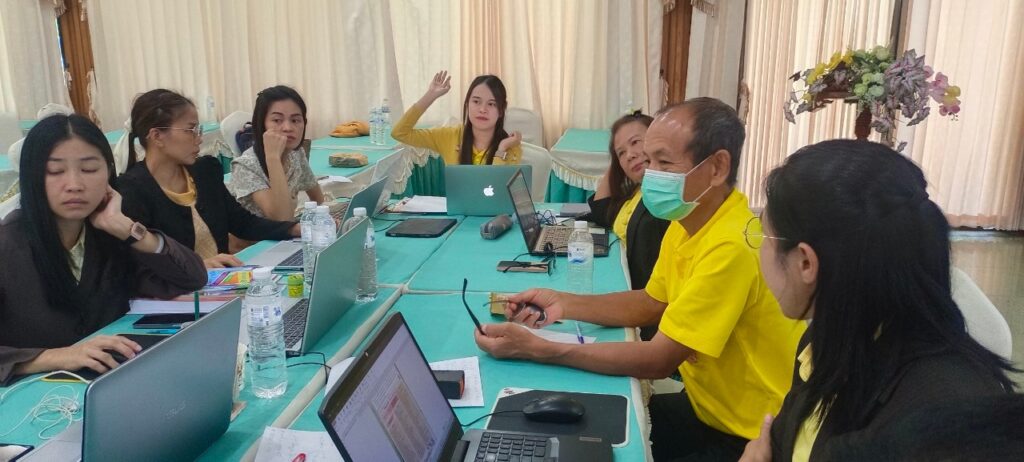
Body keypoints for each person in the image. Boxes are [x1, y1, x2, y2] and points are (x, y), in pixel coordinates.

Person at [475, 98, 806, 461]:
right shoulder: (689, 222)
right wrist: (562, 302)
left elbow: (658, 359)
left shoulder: (731, 246)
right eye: (649, 161)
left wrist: (538, 349)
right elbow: (651, 302)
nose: (649, 174)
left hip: (749, 437)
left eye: (664, 163)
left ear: (717, 167)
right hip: (707, 408)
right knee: (577, 435)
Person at [737, 140, 1017, 462]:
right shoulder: (833, 335)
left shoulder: (944, 423)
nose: (760, 251)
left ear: (805, 262)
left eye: (764, 237)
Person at [0, 115, 206, 384]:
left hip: (109, 383)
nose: (74, 184)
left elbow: (192, 278)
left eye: (89, 169)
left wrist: (129, 230)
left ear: (108, 173)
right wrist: (54, 357)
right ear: (31, 178)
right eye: (55, 171)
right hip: (29, 397)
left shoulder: (107, 234)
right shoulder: (7, 245)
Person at [117, 89, 300, 268]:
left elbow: (243, 223)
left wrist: (292, 229)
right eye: (191, 130)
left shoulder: (204, 171)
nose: (199, 139)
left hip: (222, 280)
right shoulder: (131, 191)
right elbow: (138, 264)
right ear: (157, 136)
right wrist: (198, 267)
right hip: (177, 286)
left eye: (199, 130)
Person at [580, 111, 670, 339]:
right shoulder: (639, 190)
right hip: (630, 290)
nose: (630, 154)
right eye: (621, 152)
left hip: (646, 314)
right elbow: (600, 210)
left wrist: (631, 157)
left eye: (636, 142)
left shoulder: (661, 200)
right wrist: (621, 161)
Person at [228, 85, 325, 221]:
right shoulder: (245, 166)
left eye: (295, 120)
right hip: (257, 236)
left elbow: (318, 198)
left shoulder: (295, 154)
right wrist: (273, 157)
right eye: (277, 120)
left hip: (287, 233)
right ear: (261, 125)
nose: (288, 128)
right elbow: (281, 219)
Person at [391, 71, 522, 165]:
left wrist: (501, 150)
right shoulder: (449, 136)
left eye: (491, 104)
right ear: (467, 104)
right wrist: (431, 95)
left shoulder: (511, 147)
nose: (482, 109)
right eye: (476, 101)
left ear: (501, 110)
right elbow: (400, 133)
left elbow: (497, 188)